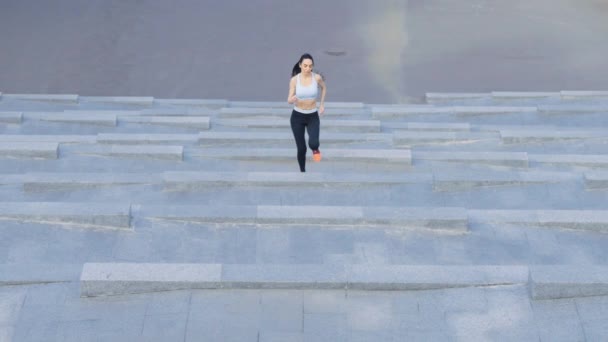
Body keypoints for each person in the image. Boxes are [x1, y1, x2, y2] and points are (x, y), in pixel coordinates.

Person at [287, 53, 327, 172]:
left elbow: (324, 88)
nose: (308, 69)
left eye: (310, 66)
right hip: (297, 117)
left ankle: (315, 149)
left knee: (314, 143)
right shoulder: (294, 80)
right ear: (300, 65)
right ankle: (302, 170)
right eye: (305, 66)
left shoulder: (317, 78)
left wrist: (322, 104)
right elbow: (289, 99)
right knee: (302, 148)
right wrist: (292, 99)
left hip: (312, 115)